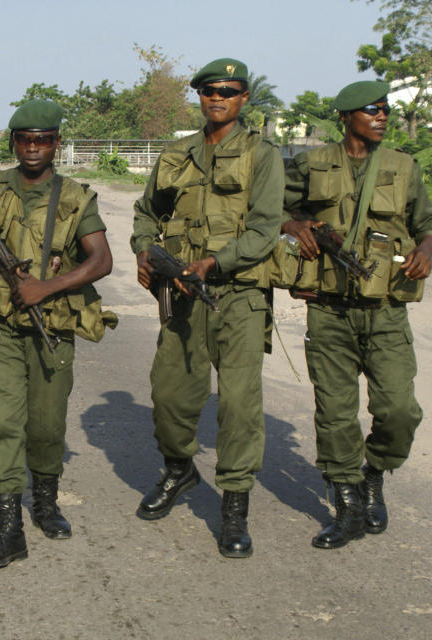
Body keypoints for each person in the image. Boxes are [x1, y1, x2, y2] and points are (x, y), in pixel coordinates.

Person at [281, 80, 432, 549]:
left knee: (398, 409)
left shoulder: (402, 167)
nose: (383, 116)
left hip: (386, 310)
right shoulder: (310, 164)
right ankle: (349, 505)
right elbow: (269, 209)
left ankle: (374, 471)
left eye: (386, 110)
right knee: (335, 414)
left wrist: (427, 249)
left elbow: (429, 223)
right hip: (329, 310)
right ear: (346, 116)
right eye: (372, 109)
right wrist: (293, 224)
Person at [130, 58, 283, 558]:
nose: (218, 97)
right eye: (210, 89)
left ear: (243, 99)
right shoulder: (177, 154)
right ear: (199, 95)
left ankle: (234, 507)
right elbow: (145, 211)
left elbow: (264, 232)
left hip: (237, 296)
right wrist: (144, 251)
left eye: (230, 90)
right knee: (170, 396)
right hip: (182, 294)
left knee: (239, 405)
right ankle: (179, 471)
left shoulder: (262, 154)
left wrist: (215, 261)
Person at [0, 99, 115, 569]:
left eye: (42, 140)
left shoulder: (75, 196)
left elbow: (101, 261)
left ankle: (45, 501)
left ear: (56, 144)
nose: (32, 148)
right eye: (24, 140)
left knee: (46, 426)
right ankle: (8, 528)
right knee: (4, 423)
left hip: (53, 325)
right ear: (12, 143)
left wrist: (48, 286)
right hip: (2, 325)